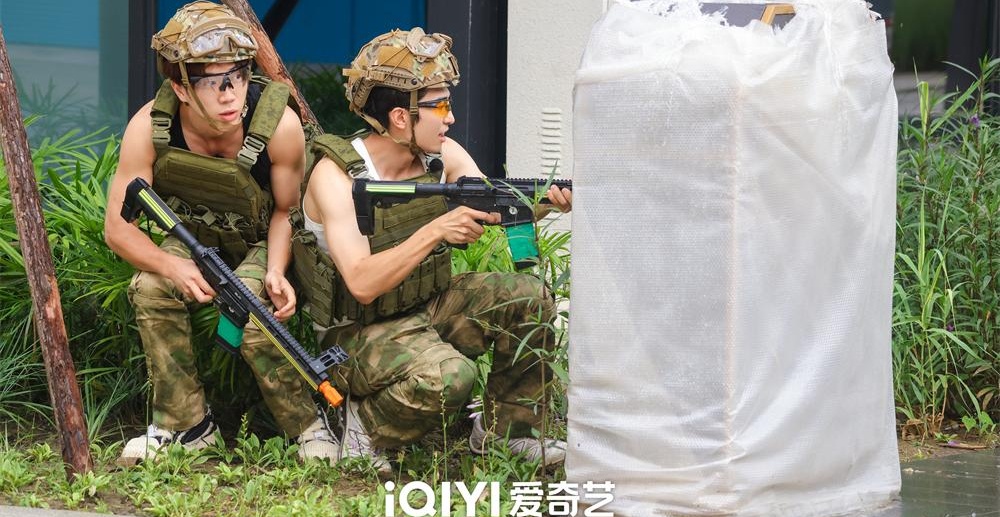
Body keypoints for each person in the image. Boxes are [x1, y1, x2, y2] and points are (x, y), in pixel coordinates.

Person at [290, 27, 572, 471]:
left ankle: (506, 432)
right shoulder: (338, 176)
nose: (451, 118)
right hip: (356, 333)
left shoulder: (442, 155)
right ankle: (361, 425)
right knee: (451, 377)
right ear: (400, 117)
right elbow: (361, 282)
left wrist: (547, 203)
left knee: (528, 298)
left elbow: (494, 206)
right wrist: (437, 230)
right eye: (439, 106)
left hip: (425, 305)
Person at [104, 1, 337, 465]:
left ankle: (308, 426)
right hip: (193, 237)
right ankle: (186, 425)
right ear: (181, 88)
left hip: (260, 239)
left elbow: (286, 211)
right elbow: (117, 228)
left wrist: (275, 271)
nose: (231, 95)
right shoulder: (150, 128)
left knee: (256, 312)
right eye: (213, 82)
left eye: (239, 76)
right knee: (150, 287)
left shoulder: (279, 126)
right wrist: (172, 265)